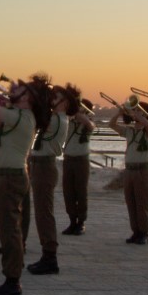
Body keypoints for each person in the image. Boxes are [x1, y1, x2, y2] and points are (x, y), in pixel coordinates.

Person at [0, 73, 50, 295]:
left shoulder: (23, 116)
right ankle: (11, 277)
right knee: (8, 227)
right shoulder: (19, 114)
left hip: (9, 177)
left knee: (10, 229)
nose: (14, 90)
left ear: (28, 99)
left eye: (21, 90)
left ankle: (13, 281)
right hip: (4, 175)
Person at [27, 81, 71, 275]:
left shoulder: (58, 119)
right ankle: (47, 254)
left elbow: (36, 117)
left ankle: (50, 256)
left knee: (44, 213)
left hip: (45, 166)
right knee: (41, 212)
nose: (52, 100)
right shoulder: (55, 117)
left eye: (56, 97)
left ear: (65, 102)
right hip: (39, 165)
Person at [107, 99, 148, 245]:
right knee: (131, 202)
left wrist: (140, 116)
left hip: (142, 170)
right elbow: (112, 125)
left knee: (142, 203)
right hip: (130, 170)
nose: (135, 113)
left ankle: (144, 232)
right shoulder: (130, 131)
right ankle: (135, 231)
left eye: (139, 111)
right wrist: (119, 113)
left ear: (146, 115)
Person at [60, 94, 95, 236]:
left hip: (81, 160)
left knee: (81, 191)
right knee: (68, 192)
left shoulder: (88, 122)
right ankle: (72, 220)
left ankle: (81, 222)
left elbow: (90, 126)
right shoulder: (69, 121)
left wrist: (79, 113)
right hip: (68, 159)